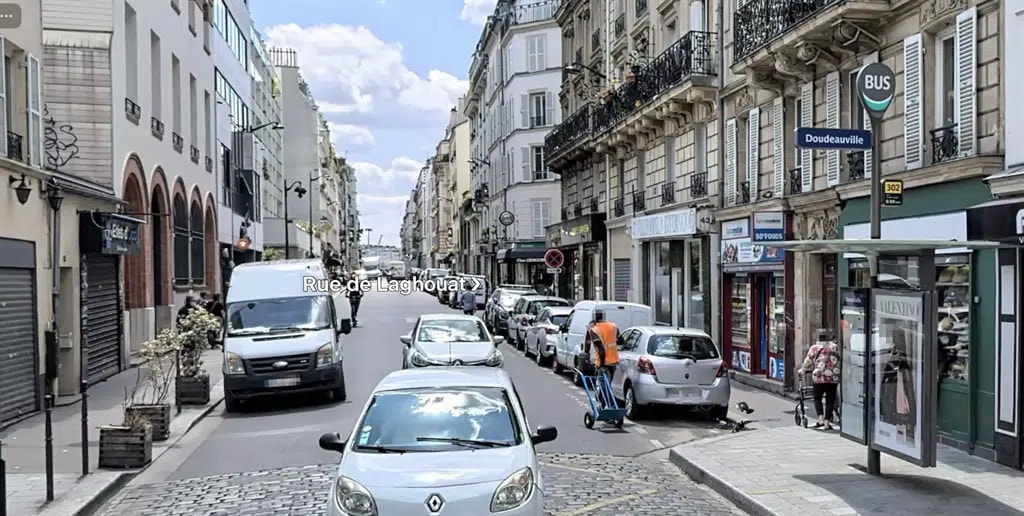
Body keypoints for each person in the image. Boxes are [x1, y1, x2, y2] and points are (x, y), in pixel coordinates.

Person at [801, 329, 841, 430]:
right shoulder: (834, 347)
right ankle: (827, 422)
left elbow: (808, 361)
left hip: (819, 377)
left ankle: (820, 419)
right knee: (830, 399)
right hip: (832, 377)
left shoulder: (815, 348)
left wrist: (803, 370)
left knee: (817, 398)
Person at [588, 311, 619, 408]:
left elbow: (601, 349)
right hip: (613, 362)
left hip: (604, 363)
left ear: (594, 320)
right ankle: (603, 405)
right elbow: (621, 340)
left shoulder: (594, 330)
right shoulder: (613, 327)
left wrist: (601, 363)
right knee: (607, 385)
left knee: (605, 387)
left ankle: (612, 407)